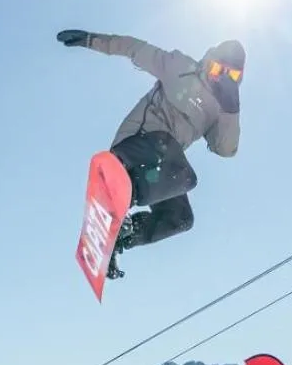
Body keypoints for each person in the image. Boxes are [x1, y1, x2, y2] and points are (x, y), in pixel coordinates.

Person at [57, 29, 243, 277]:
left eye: (231, 76)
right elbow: (134, 48)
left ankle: (123, 235)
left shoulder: (220, 110)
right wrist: (91, 40)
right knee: (175, 159)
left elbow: (225, 148)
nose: (220, 78)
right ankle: (123, 188)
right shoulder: (180, 67)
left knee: (181, 217)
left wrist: (231, 108)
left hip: (158, 170)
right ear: (209, 61)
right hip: (135, 146)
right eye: (218, 69)